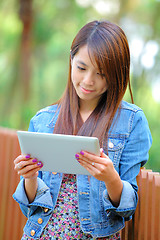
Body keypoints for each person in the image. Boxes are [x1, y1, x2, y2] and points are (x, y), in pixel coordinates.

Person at [13, 20, 152, 240]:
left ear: (117, 74)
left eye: (102, 73)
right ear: (71, 60)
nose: (88, 81)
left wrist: (111, 179)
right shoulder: (43, 120)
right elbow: (30, 209)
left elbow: (128, 208)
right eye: (81, 68)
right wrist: (29, 178)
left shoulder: (131, 121)